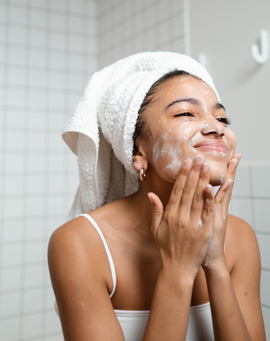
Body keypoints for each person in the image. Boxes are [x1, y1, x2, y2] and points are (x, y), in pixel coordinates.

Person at [48, 52, 265, 341]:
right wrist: (177, 269)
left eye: (222, 117)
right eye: (187, 113)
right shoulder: (80, 244)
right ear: (138, 151)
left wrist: (215, 264)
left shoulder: (239, 237)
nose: (217, 127)